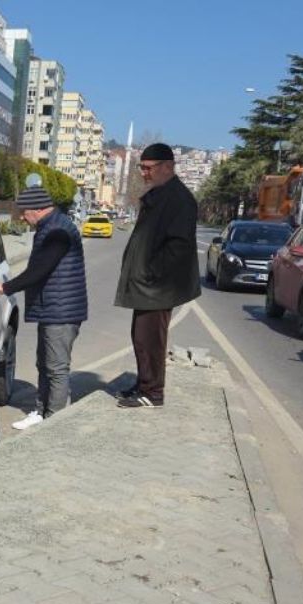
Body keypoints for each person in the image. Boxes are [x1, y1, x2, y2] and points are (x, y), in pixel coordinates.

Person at [0, 181, 88, 430]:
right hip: (52, 309)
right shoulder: (51, 226)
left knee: (56, 368)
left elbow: (39, 270)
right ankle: (42, 412)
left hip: (61, 312)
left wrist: (6, 287)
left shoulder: (58, 231)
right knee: (44, 364)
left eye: (24, 211)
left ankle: (55, 423)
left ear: (37, 208)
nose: (22, 217)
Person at [114, 143, 200, 409]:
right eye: (142, 167)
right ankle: (144, 384)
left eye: (148, 168)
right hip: (149, 285)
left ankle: (152, 393)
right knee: (141, 336)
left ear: (167, 166)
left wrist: (151, 274)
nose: (144, 173)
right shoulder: (162, 194)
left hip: (158, 287)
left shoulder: (178, 198)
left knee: (150, 338)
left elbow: (178, 246)